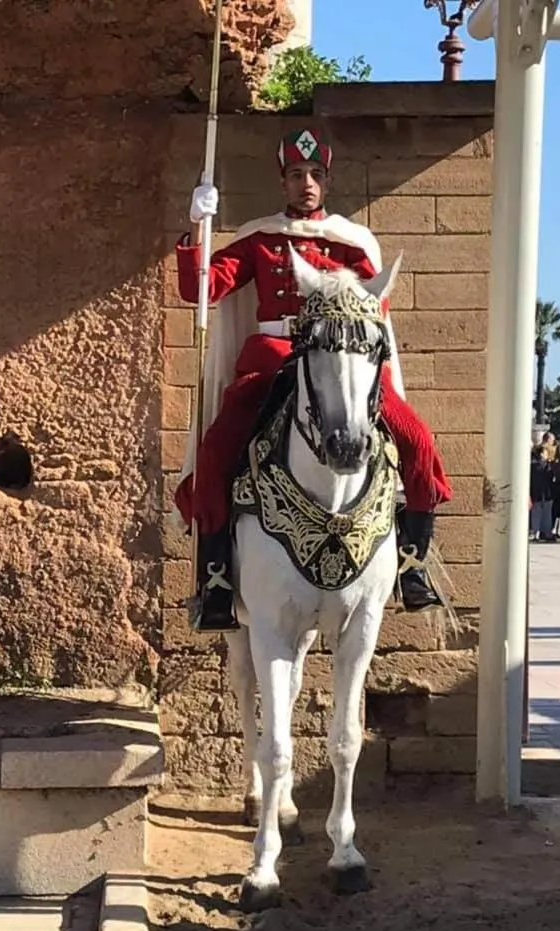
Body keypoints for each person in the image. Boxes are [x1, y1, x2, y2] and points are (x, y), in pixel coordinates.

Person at [174, 129, 453, 630]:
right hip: (273, 357)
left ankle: (413, 563)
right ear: (282, 180)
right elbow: (200, 288)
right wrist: (198, 228)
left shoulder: (350, 244)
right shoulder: (260, 240)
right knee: (215, 451)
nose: (307, 184)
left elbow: (375, 307)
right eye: (297, 175)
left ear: (327, 181)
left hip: (341, 361)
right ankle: (215, 578)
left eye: (316, 176)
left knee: (418, 439)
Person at [529, 444, 556, 541]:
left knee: (536, 514)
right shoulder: (548, 466)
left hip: (536, 493)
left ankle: (536, 532)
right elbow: (552, 479)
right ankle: (547, 533)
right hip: (547, 493)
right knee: (547, 514)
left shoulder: (531, 467)